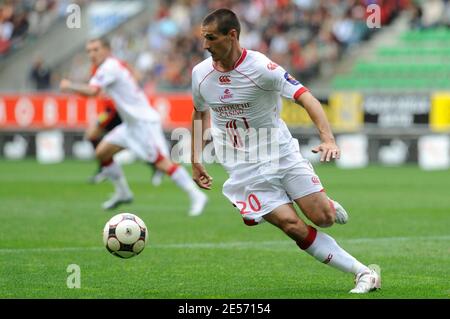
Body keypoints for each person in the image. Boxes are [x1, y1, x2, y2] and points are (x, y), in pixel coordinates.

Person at [191, 8, 381, 293]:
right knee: (291, 226)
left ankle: (325, 205)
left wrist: (328, 138)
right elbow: (199, 112)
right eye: (203, 39)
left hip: (280, 153)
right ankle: (363, 273)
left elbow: (307, 98)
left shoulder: (261, 68)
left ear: (232, 35)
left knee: (323, 219)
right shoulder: (200, 74)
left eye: (211, 38)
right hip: (243, 167)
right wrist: (195, 157)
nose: (205, 46)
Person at [60, 38, 207, 216]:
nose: (92, 54)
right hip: (130, 124)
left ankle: (196, 195)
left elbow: (93, 91)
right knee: (102, 153)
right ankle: (123, 192)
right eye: (89, 51)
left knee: (162, 163)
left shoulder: (109, 67)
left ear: (107, 50)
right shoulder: (111, 66)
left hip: (143, 123)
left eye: (96, 49)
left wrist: (69, 86)